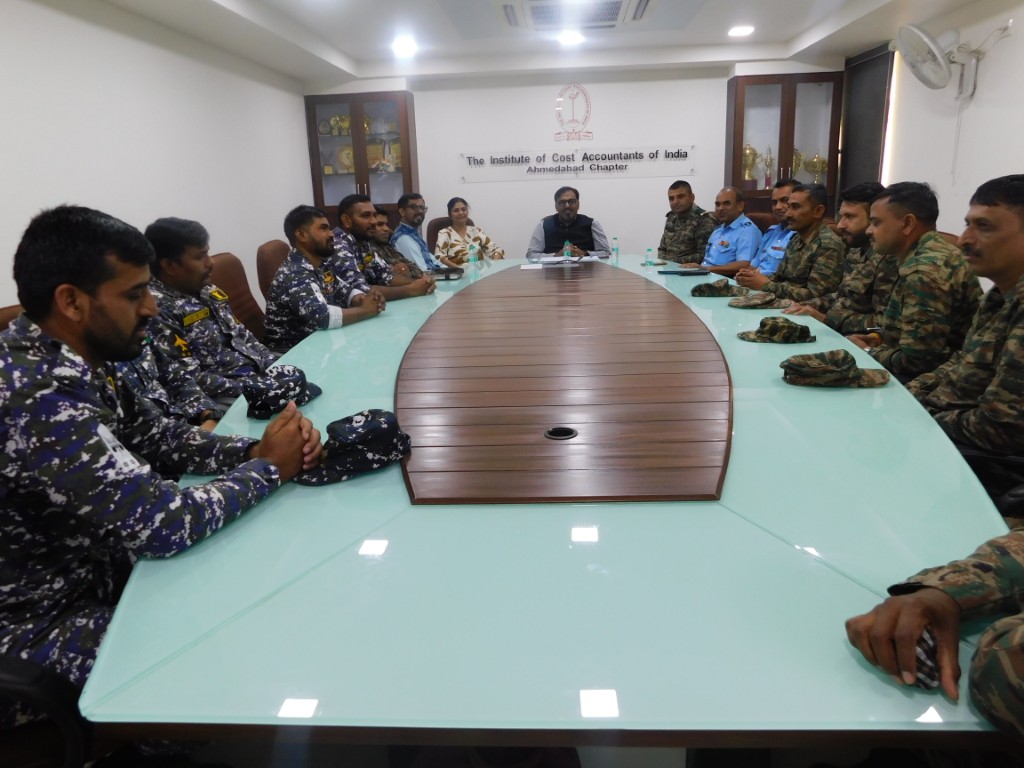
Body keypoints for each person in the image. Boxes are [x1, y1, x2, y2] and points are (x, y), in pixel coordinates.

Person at [0, 205, 320, 725]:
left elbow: (159, 436)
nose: (152, 308)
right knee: (214, 643)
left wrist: (253, 451)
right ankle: (164, 746)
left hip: (98, 576)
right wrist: (270, 469)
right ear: (71, 301)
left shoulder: (77, 356)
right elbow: (165, 524)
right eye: (134, 295)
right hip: (34, 629)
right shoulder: (32, 397)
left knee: (254, 577)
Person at [906, 175, 1024, 498]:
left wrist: (924, 417)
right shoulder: (999, 296)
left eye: (984, 227)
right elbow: (962, 361)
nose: (963, 241)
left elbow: (1001, 429)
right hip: (959, 441)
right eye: (967, 224)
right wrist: (910, 394)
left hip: (992, 470)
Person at [146, 217, 306, 405]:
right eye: (200, 257)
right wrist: (258, 386)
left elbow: (243, 335)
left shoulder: (207, 290)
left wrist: (275, 366)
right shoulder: (156, 310)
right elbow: (189, 379)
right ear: (169, 266)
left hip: (258, 376)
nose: (210, 263)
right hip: (226, 397)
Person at [847, 182, 981, 383]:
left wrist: (866, 351)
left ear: (908, 224)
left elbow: (917, 361)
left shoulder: (924, 271)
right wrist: (879, 339)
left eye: (876, 223)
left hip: (930, 382)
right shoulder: (925, 254)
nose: (869, 231)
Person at [264, 204, 385, 351]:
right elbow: (323, 317)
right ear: (301, 235)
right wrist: (366, 310)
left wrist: (363, 299)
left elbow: (344, 291)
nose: (331, 234)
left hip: (322, 345)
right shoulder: (293, 273)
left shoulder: (321, 265)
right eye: (323, 228)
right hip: (292, 354)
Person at [784, 182, 898, 333]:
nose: (840, 225)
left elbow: (883, 324)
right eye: (841, 216)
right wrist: (806, 306)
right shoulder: (855, 251)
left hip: (857, 338)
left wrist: (827, 320)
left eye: (849, 217)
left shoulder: (890, 259)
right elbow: (840, 296)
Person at [735, 183, 845, 301]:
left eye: (795, 207)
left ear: (818, 211)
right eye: (789, 206)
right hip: (780, 301)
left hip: (801, 309)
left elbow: (817, 297)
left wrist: (766, 285)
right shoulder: (797, 238)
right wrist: (751, 279)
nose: (788, 214)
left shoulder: (828, 246)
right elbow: (779, 277)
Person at [333, 194, 434, 299]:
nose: (374, 221)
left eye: (374, 215)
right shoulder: (337, 245)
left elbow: (385, 275)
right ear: (346, 221)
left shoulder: (363, 244)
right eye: (366, 216)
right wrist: (410, 290)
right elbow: (359, 290)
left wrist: (422, 283)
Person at [684, 186, 760, 276]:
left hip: (724, 279)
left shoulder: (747, 231)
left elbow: (744, 265)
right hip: (704, 275)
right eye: (717, 204)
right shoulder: (718, 230)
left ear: (740, 206)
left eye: (726, 204)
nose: (720, 208)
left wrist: (705, 269)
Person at [525, 186, 611, 260]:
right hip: (553, 271)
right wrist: (556, 255)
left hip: (585, 270)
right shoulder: (544, 225)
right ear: (556, 206)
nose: (567, 206)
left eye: (572, 201)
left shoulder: (592, 224)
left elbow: (606, 253)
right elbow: (531, 255)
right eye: (562, 202)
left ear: (578, 204)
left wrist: (584, 254)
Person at [434, 197, 507, 267]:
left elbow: (496, 250)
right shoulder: (445, 233)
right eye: (456, 210)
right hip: (457, 273)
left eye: (463, 209)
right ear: (450, 214)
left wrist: (493, 265)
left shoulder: (476, 231)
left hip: (480, 272)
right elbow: (439, 256)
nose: (461, 213)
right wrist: (458, 269)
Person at [657, 180, 716, 264]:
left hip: (689, 270)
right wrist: (663, 262)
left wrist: (672, 261)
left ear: (692, 197)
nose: (675, 202)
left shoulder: (704, 219)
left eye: (680, 197)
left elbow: (704, 255)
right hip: (668, 268)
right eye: (671, 198)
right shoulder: (671, 216)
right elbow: (662, 248)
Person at [747, 178, 798, 276]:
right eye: (774, 203)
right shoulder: (771, 232)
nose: (778, 207)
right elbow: (753, 266)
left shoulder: (800, 236)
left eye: (785, 200)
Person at [392, 193, 443, 272]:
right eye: (415, 207)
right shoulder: (403, 238)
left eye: (422, 208)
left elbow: (432, 261)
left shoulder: (413, 233)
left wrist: (452, 270)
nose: (420, 211)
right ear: (402, 211)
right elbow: (422, 272)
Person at [372, 206, 424, 278]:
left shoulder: (385, 247)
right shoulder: (366, 251)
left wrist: (406, 271)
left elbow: (417, 270)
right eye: (379, 224)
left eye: (386, 224)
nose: (386, 229)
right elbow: (383, 278)